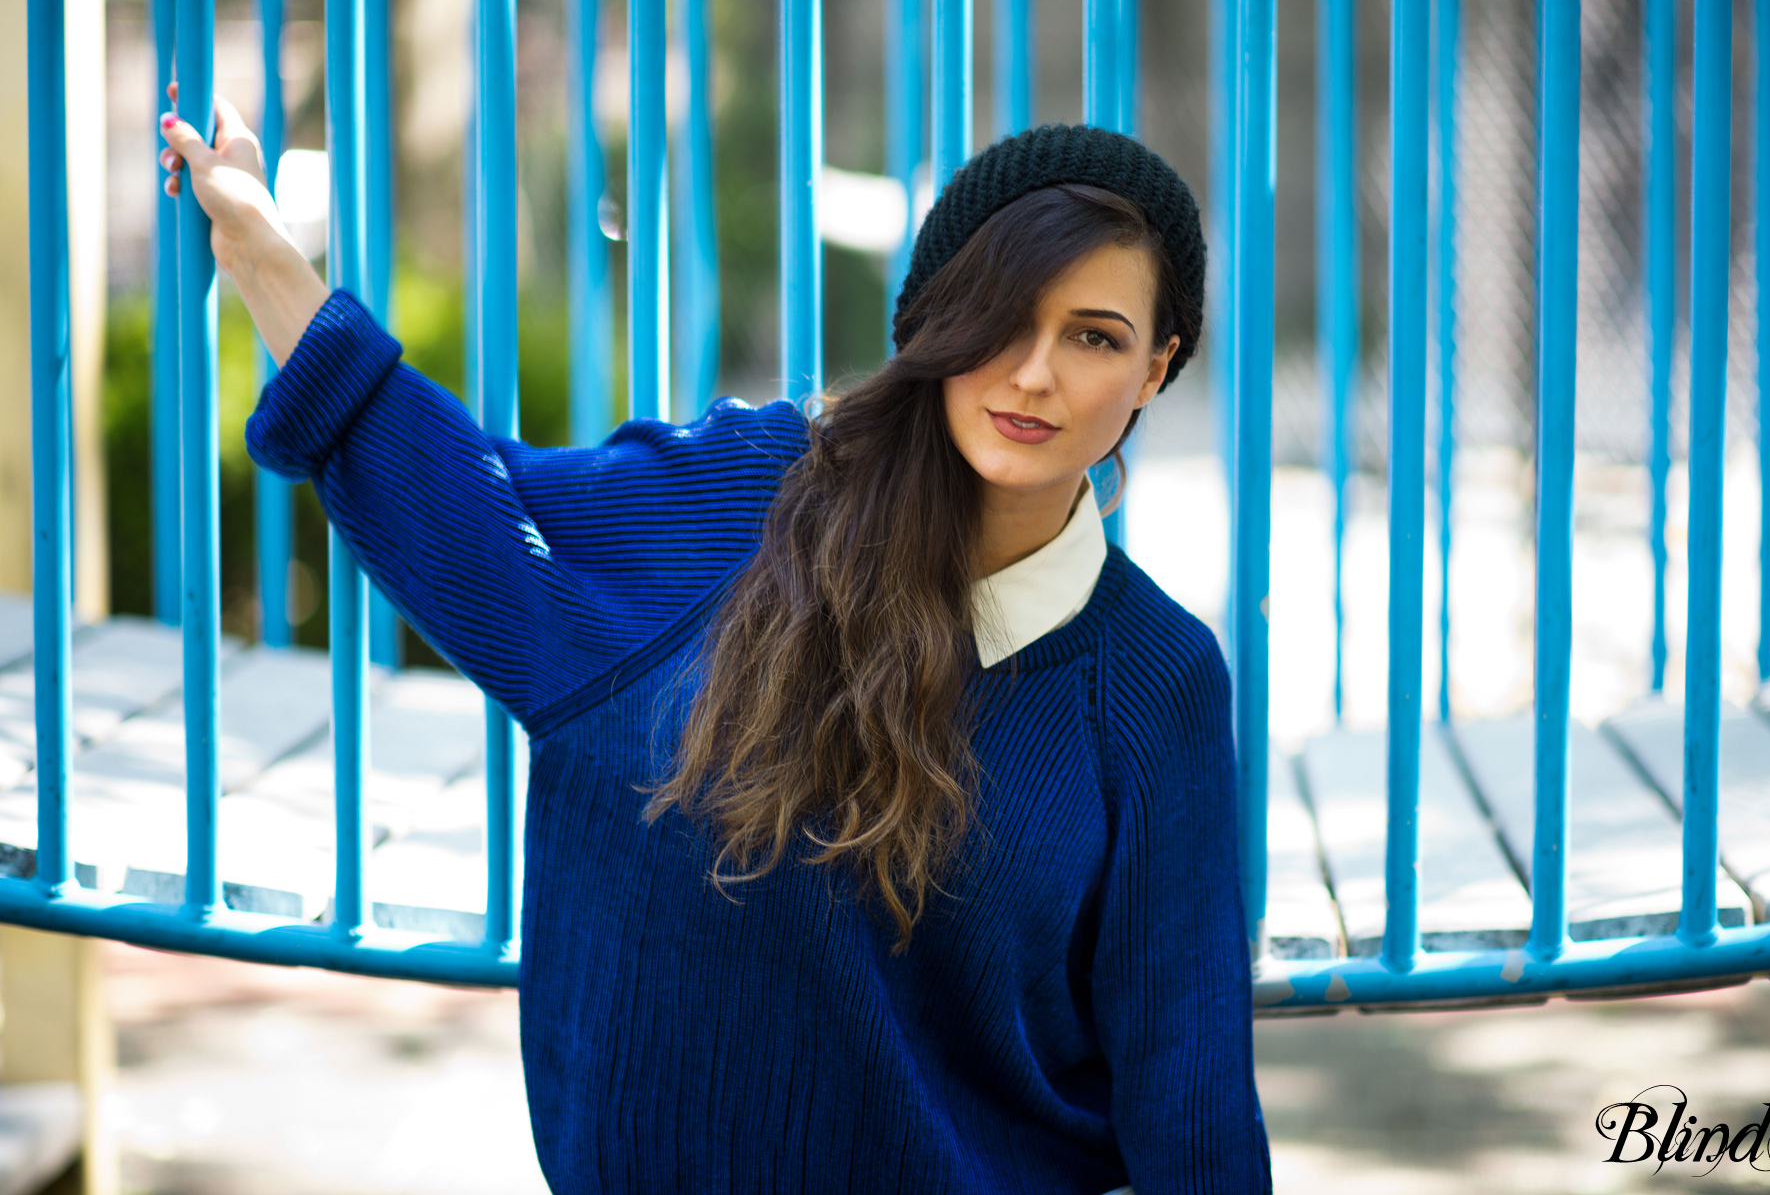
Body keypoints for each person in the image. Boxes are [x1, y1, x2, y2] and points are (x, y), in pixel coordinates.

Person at [160, 96, 1272, 1194]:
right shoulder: (757, 493)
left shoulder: (1150, 681)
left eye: (1094, 337)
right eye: (1003, 315)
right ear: (936, 313)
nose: (1035, 373)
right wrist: (262, 249)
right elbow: (484, 512)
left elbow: (1190, 1091)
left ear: (1158, 367)